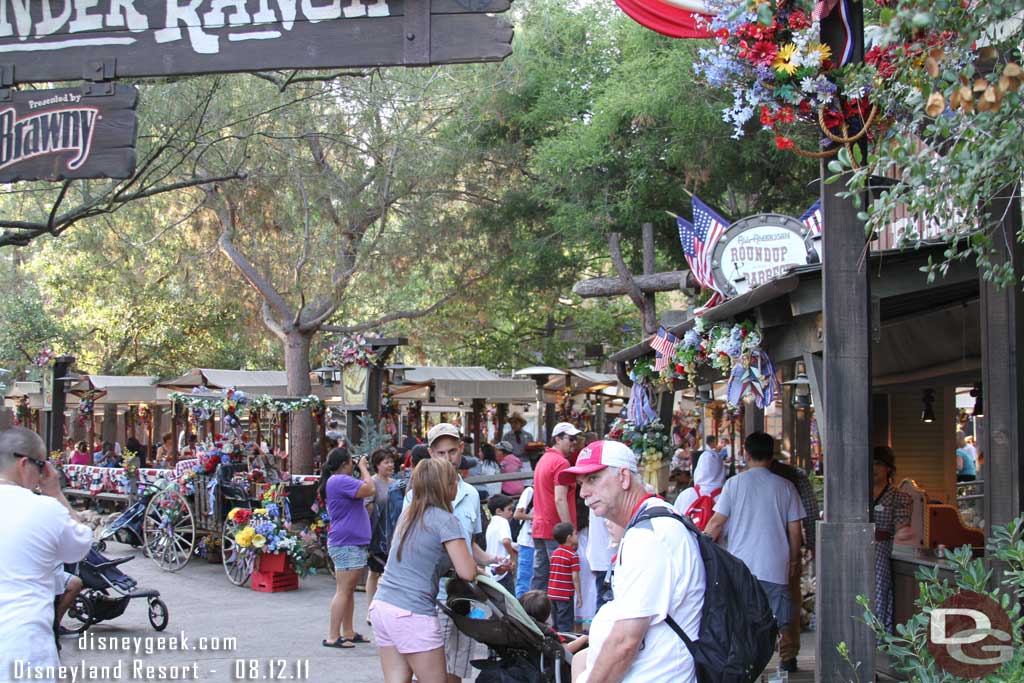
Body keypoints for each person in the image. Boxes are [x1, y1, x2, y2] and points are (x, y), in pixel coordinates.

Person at [561, 440, 706, 682]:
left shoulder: (647, 536)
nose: (584, 492)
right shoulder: (652, 521)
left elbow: (625, 642)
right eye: (581, 483)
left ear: (624, 477)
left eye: (593, 479)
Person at [408, 423, 509, 683]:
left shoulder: (471, 494)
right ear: (430, 453)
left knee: (458, 666)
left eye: (452, 452)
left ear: (461, 450)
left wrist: (491, 560)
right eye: (440, 453)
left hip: (466, 593)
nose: (447, 459)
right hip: (432, 593)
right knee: (431, 669)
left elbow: (469, 544)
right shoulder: (416, 495)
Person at [369, 458, 478, 683]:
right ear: (443, 486)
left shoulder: (408, 515)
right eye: (453, 481)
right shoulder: (447, 521)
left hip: (383, 606)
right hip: (412, 612)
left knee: (396, 679)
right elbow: (467, 572)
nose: (457, 485)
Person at [0, 427, 93, 683]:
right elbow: (80, 545)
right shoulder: (44, 509)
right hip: (24, 647)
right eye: (42, 466)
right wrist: (55, 492)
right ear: (24, 464)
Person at [704, 432, 805, 647]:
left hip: (742, 566)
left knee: (745, 621)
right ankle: (785, 662)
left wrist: (701, 546)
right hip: (776, 566)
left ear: (746, 454)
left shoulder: (733, 484)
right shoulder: (786, 487)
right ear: (771, 456)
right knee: (779, 622)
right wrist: (794, 561)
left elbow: (716, 523)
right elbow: (796, 531)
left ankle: (751, 669)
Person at [320, 447, 375, 650]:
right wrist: (363, 468)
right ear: (344, 464)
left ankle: (348, 631)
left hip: (349, 542)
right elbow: (370, 488)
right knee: (343, 591)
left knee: (348, 591)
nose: (354, 464)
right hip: (346, 544)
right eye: (351, 462)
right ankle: (333, 636)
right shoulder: (339, 480)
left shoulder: (337, 482)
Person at [769, 453, 820, 671]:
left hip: (755, 549)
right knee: (790, 599)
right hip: (790, 549)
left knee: (759, 600)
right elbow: (810, 512)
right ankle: (788, 655)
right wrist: (812, 543)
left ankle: (762, 652)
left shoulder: (744, 479)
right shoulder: (795, 477)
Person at [530, 422, 581, 592]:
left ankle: (532, 614)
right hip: (556, 530)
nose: (574, 442)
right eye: (571, 438)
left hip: (540, 526)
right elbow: (560, 499)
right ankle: (557, 617)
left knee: (541, 576)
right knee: (560, 581)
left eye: (576, 439)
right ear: (558, 439)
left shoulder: (544, 459)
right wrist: (569, 532)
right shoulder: (561, 463)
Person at [872, 446, 913, 634]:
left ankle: (879, 639)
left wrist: (902, 532)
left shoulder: (899, 497)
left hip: (881, 551)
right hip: (855, 550)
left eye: (879, 464)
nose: (874, 468)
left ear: (888, 468)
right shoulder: (857, 496)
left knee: (880, 594)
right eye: (871, 464)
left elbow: (901, 525)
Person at [365, 448, 396, 626]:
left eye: (391, 461)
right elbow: (367, 509)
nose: (390, 465)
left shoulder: (395, 483)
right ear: (377, 465)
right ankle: (371, 610)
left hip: (393, 533)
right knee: (374, 572)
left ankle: (386, 609)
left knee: (389, 572)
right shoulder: (373, 483)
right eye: (386, 462)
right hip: (377, 533)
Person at [673, 444, 727, 530]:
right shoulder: (726, 496)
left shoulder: (685, 495)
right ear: (721, 469)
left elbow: (675, 524)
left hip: (691, 542)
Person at [548, 522, 581, 634]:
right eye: (575, 534)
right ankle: (566, 645)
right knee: (565, 623)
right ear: (569, 538)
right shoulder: (573, 555)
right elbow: (575, 577)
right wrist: (579, 595)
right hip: (565, 595)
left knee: (556, 622)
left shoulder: (555, 553)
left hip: (552, 592)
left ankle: (556, 641)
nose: (577, 536)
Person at [485, 493, 517, 594]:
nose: (511, 512)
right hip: (502, 568)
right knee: (510, 603)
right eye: (509, 509)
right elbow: (505, 541)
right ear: (499, 511)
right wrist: (512, 556)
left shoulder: (491, 524)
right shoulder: (503, 522)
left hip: (491, 569)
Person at [513, 484, 536, 598]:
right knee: (525, 577)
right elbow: (517, 514)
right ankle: (522, 608)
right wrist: (536, 518)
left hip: (540, 540)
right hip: (527, 540)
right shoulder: (530, 491)